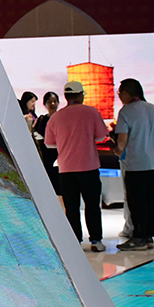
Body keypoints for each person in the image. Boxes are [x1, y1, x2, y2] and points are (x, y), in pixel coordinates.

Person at [44, 81, 108, 252]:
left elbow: (49, 143)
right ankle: (96, 240)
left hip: (66, 168)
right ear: (81, 95)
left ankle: (75, 242)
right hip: (89, 166)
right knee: (92, 205)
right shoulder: (91, 112)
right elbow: (101, 137)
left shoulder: (56, 117)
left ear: (65, 96)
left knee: (71, 207)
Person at [113, 78, 154, 251]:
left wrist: (117, 151)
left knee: (136, 202)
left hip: (135, 164)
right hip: (153, 163)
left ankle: (138, 238)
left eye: (120, 93)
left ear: (127, 93)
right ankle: (148, 236)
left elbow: (122, 142)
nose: (119, 96)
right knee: (149, 200)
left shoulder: (126, 111)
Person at [33, 92, 62, 199]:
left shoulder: (62, 119)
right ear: (45, 104)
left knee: (60, 186)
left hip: (61, 155)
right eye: (50, 102)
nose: (53, 104)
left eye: (55, 101)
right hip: (46, 156)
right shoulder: (42, 120)